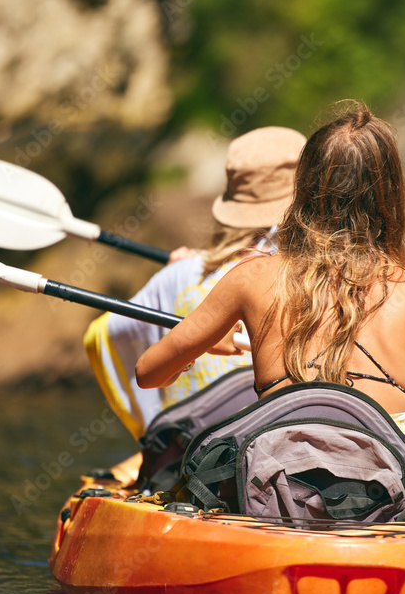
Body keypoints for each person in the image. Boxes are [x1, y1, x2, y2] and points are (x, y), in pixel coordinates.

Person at [135, 102, 405, 496]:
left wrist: (194, 354)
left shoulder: (250, 277)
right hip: (378, 504)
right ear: (391, 194)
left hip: (274, 495)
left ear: (303, 188)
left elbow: (149, 374)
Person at [85, 126, 307, 440]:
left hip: (196, 439)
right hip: (284, 435)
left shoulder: (183, 273)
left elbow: (108, 332)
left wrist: (174, 286)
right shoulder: (320, 273)